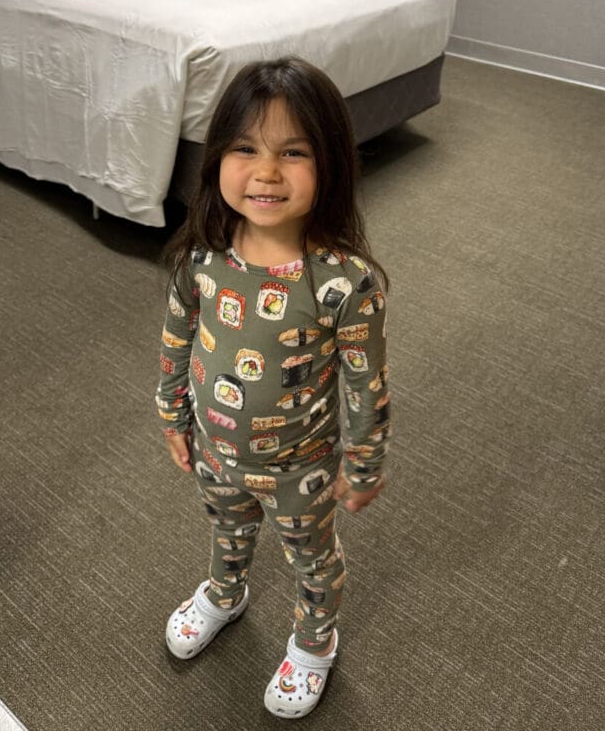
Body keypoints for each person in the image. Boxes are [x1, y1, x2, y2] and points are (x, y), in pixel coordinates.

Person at [156, 57, 392, 719]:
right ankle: (226, 594)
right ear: (217, 157)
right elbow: (178, 337)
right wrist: (172, 413)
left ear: (331, 165)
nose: (265, 172)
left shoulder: (342, 282)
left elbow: (363, 383)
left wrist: (364, 462)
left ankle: (316, 643)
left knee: (312, 560)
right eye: (245, 149)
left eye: (292, 152)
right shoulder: (201, 255)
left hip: (301, 469)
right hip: (216, 451)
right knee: (226, 529)